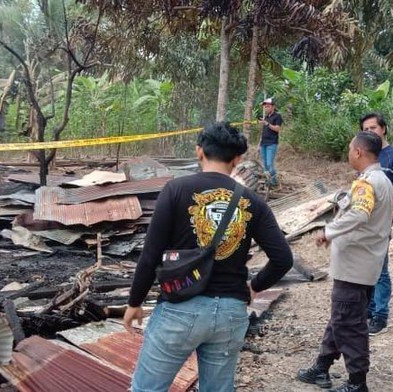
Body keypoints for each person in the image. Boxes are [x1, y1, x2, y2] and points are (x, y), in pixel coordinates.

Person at [124, 122, 293, 392]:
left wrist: (135, 302)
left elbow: (150, 255)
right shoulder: (253, 202)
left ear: (199, 152)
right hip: (230, 312)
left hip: (180, 309)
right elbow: (283, 259)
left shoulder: (175, 190)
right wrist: (254, 287)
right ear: (237, 159)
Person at [296, 131, 393, 392]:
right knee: (341, 319)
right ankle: (321, 367)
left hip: (354, 268)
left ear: (359, 152)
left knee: (349, 325)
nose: (349, 153)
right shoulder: (382, 180)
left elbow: (360, 214)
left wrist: (329, 231)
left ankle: (357, 382)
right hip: (364, 266)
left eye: (351, 149)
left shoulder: (367, 183)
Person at [359, 112, 393, 335]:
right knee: (368, 265)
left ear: (384, 129)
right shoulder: (368, 156)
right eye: (365, 130)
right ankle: (369, 309)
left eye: (373, 128)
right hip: (366, 220)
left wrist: (390, 216)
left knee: (380, 268)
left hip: (382, 220)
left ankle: (381, 315)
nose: (370, 132)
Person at [259, 97, 283, 187]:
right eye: (265, 106)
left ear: (273, 107)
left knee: (270, 164)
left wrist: (267, 124)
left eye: (268, 106)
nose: (266, 108)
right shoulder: (266, 117)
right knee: (265, 165)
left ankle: (274, 181)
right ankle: (268, 181)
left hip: (272, 143)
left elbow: (277, 129)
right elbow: (264, 131)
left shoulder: (277, 116)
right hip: (263, 143)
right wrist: (259, 144)